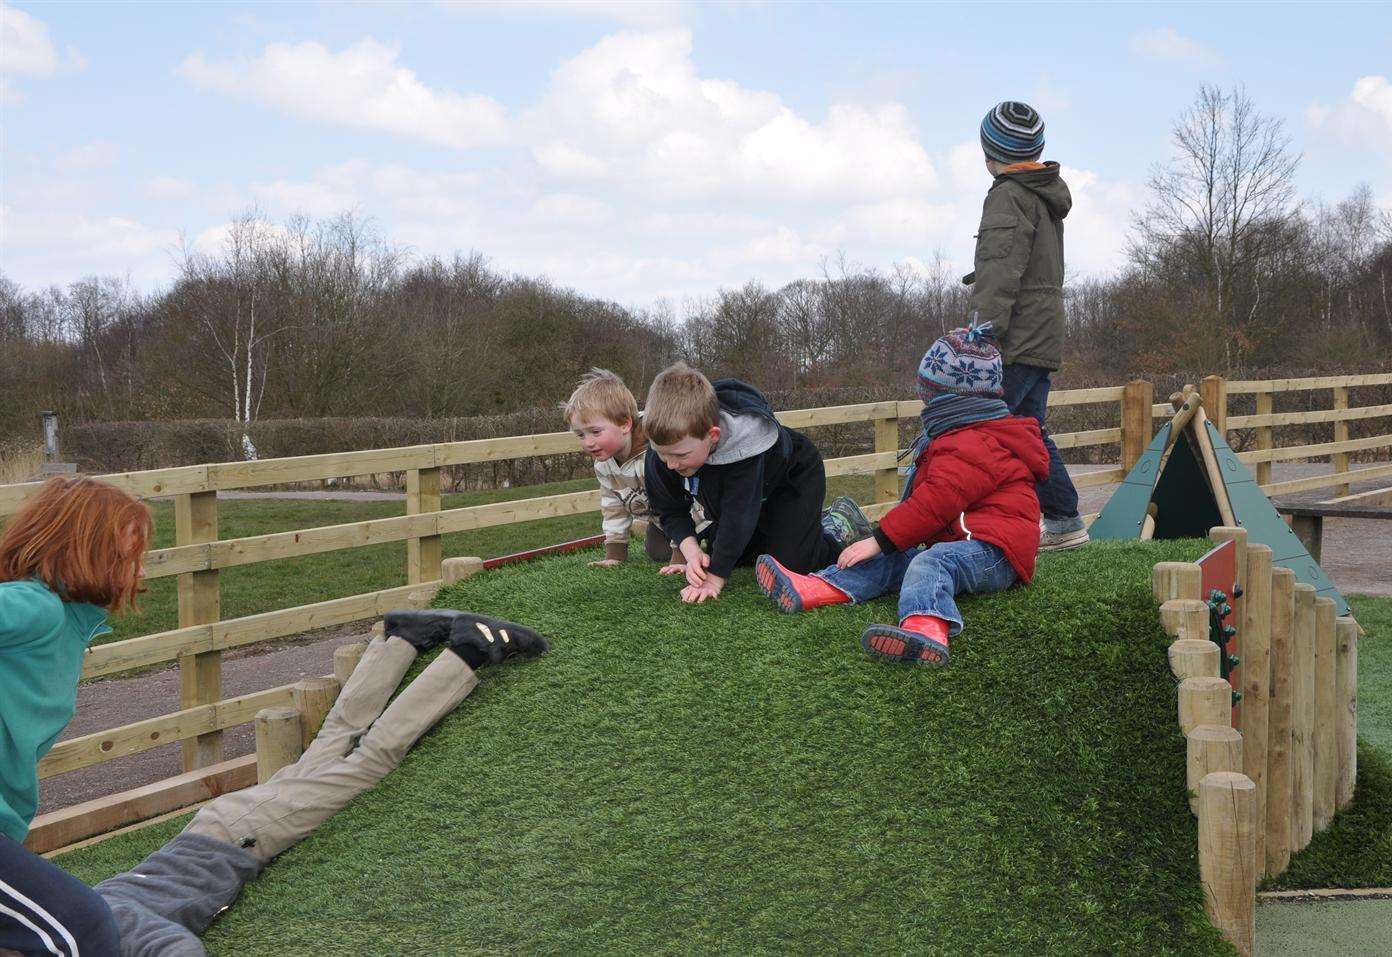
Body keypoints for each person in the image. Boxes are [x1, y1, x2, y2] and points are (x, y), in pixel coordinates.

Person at [0, 476, 546, 957]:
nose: (142, 568)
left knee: (368, 763)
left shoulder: (39, 609)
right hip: (223, 825)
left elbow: (171, 946)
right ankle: (403, 639)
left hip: (239, 835)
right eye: (132, 552)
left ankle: (465, 652)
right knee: (333, 754)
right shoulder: (42, 609)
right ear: (88, 549)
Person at [755, 324, 1048, 666]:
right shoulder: (958, 433)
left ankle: (926, 627)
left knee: (930, 562)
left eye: (928, 393)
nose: (924, 401)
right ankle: (819, 588)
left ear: (947, 398)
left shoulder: (975, 442)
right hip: (966, 544)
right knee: (895, 558)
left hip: (997, 553)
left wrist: (879, 538)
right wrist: (886, 545)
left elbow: (936, 501)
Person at [643, 362, 869, 604]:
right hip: (749, 497)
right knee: (739, 557)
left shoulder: (743, 447)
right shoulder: (666, 448)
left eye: (680, 456)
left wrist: (714, 579)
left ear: (713, 436)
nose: (670, 464)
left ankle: (839, 524)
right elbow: (669, 508)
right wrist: (692, 552)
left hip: (792, 478)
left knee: (794, 563)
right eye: (663, 454)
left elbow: (738, 516)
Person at [968, 100, 1085, 550]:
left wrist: (980, 335)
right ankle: (1063, 520)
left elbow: (1000, 268)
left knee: (971, 425)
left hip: (1014, 337)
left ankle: (943, 523)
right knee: (1028, 430)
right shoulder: (1042, 194)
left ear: (989, 152)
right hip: (1043, 331)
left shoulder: (1008, 194)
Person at [563, 368, 683, 569]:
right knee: (658, 553)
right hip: (660, 519)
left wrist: (682, 554)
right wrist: (615, 554)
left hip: (695, 512)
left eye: (595, 432)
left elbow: (682, 500)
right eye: (580, 435)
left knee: (718, 548)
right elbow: (613, 506)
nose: (588, 442)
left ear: (625, 424)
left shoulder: (658, 453)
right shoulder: (603, 465)